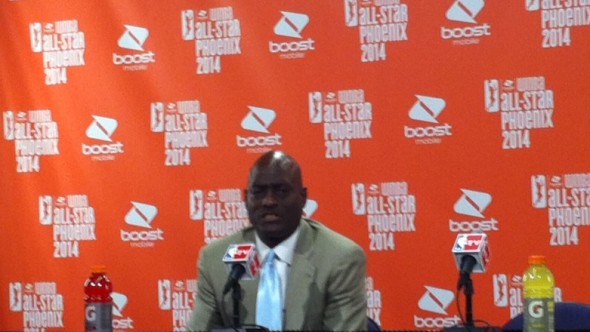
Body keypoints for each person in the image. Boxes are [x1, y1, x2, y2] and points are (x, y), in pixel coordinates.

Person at [187, 150, 367, 331]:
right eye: (258, 192)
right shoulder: (215, 259)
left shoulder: (339, 258)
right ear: (245, 199)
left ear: (303, 198)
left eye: (281, 191)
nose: (269, 201)